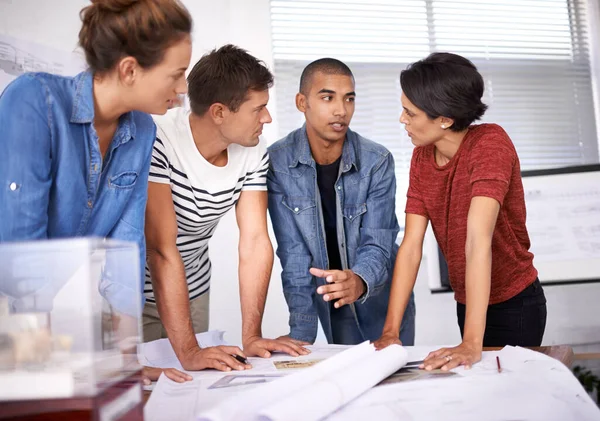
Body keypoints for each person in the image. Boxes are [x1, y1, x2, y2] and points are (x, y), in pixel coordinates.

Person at [0, 0, 193, 382]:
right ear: (130, 70)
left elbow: (126, 248)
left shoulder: (142, 129)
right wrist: (41, 359)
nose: (183, 88)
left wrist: (127, 360)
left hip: (38, 318)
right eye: (177, 74)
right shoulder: (34, 100)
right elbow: (20, 249)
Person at [374, 53, 547, 370]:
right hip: (468, 302)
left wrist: (471, 342)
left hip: (515, 303)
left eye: (410, 113)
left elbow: (477, 241)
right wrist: (390, 332)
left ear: (444, 119)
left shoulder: (490, 144)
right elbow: (411, 246)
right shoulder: (422, 157)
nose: (402, 120)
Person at [144, 44, 310, 373]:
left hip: (192, 288)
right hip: (133, 296)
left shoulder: (252, 149)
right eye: (258, 108)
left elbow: (254, 242)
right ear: (219, 112)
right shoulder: (159, 140)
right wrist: (189, 349)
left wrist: (251, 336)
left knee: (194, 389)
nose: (267, 117)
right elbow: (162, 250)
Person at [267, 58, 416, 346]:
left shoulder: (377, 161)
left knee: (395, 382)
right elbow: (293, 252)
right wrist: (301, 330)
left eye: (349, 99)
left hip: (381, 295)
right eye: (327, 97)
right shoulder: (278, 162)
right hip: (330, 300)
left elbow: (379, 239)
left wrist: (359, 280)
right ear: (302, 102)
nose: (341, 110)